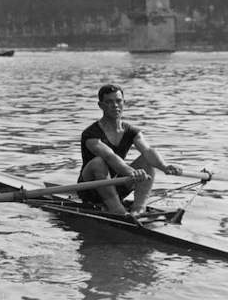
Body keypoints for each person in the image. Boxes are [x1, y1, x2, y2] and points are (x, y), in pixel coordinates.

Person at [77, 84, 182, 217]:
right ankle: (118, 211)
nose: (115, 105)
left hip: (115, 185)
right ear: (101, 105)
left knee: (147, 159)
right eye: (109, 102)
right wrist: (132, 172)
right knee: (99, 162)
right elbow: (109, 156)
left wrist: (164, 166)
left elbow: (148, 149)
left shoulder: (131, 131)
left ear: (123, 103)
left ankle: (138, 209)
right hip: (89, 189)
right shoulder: (91, 133)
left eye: (118, 101)